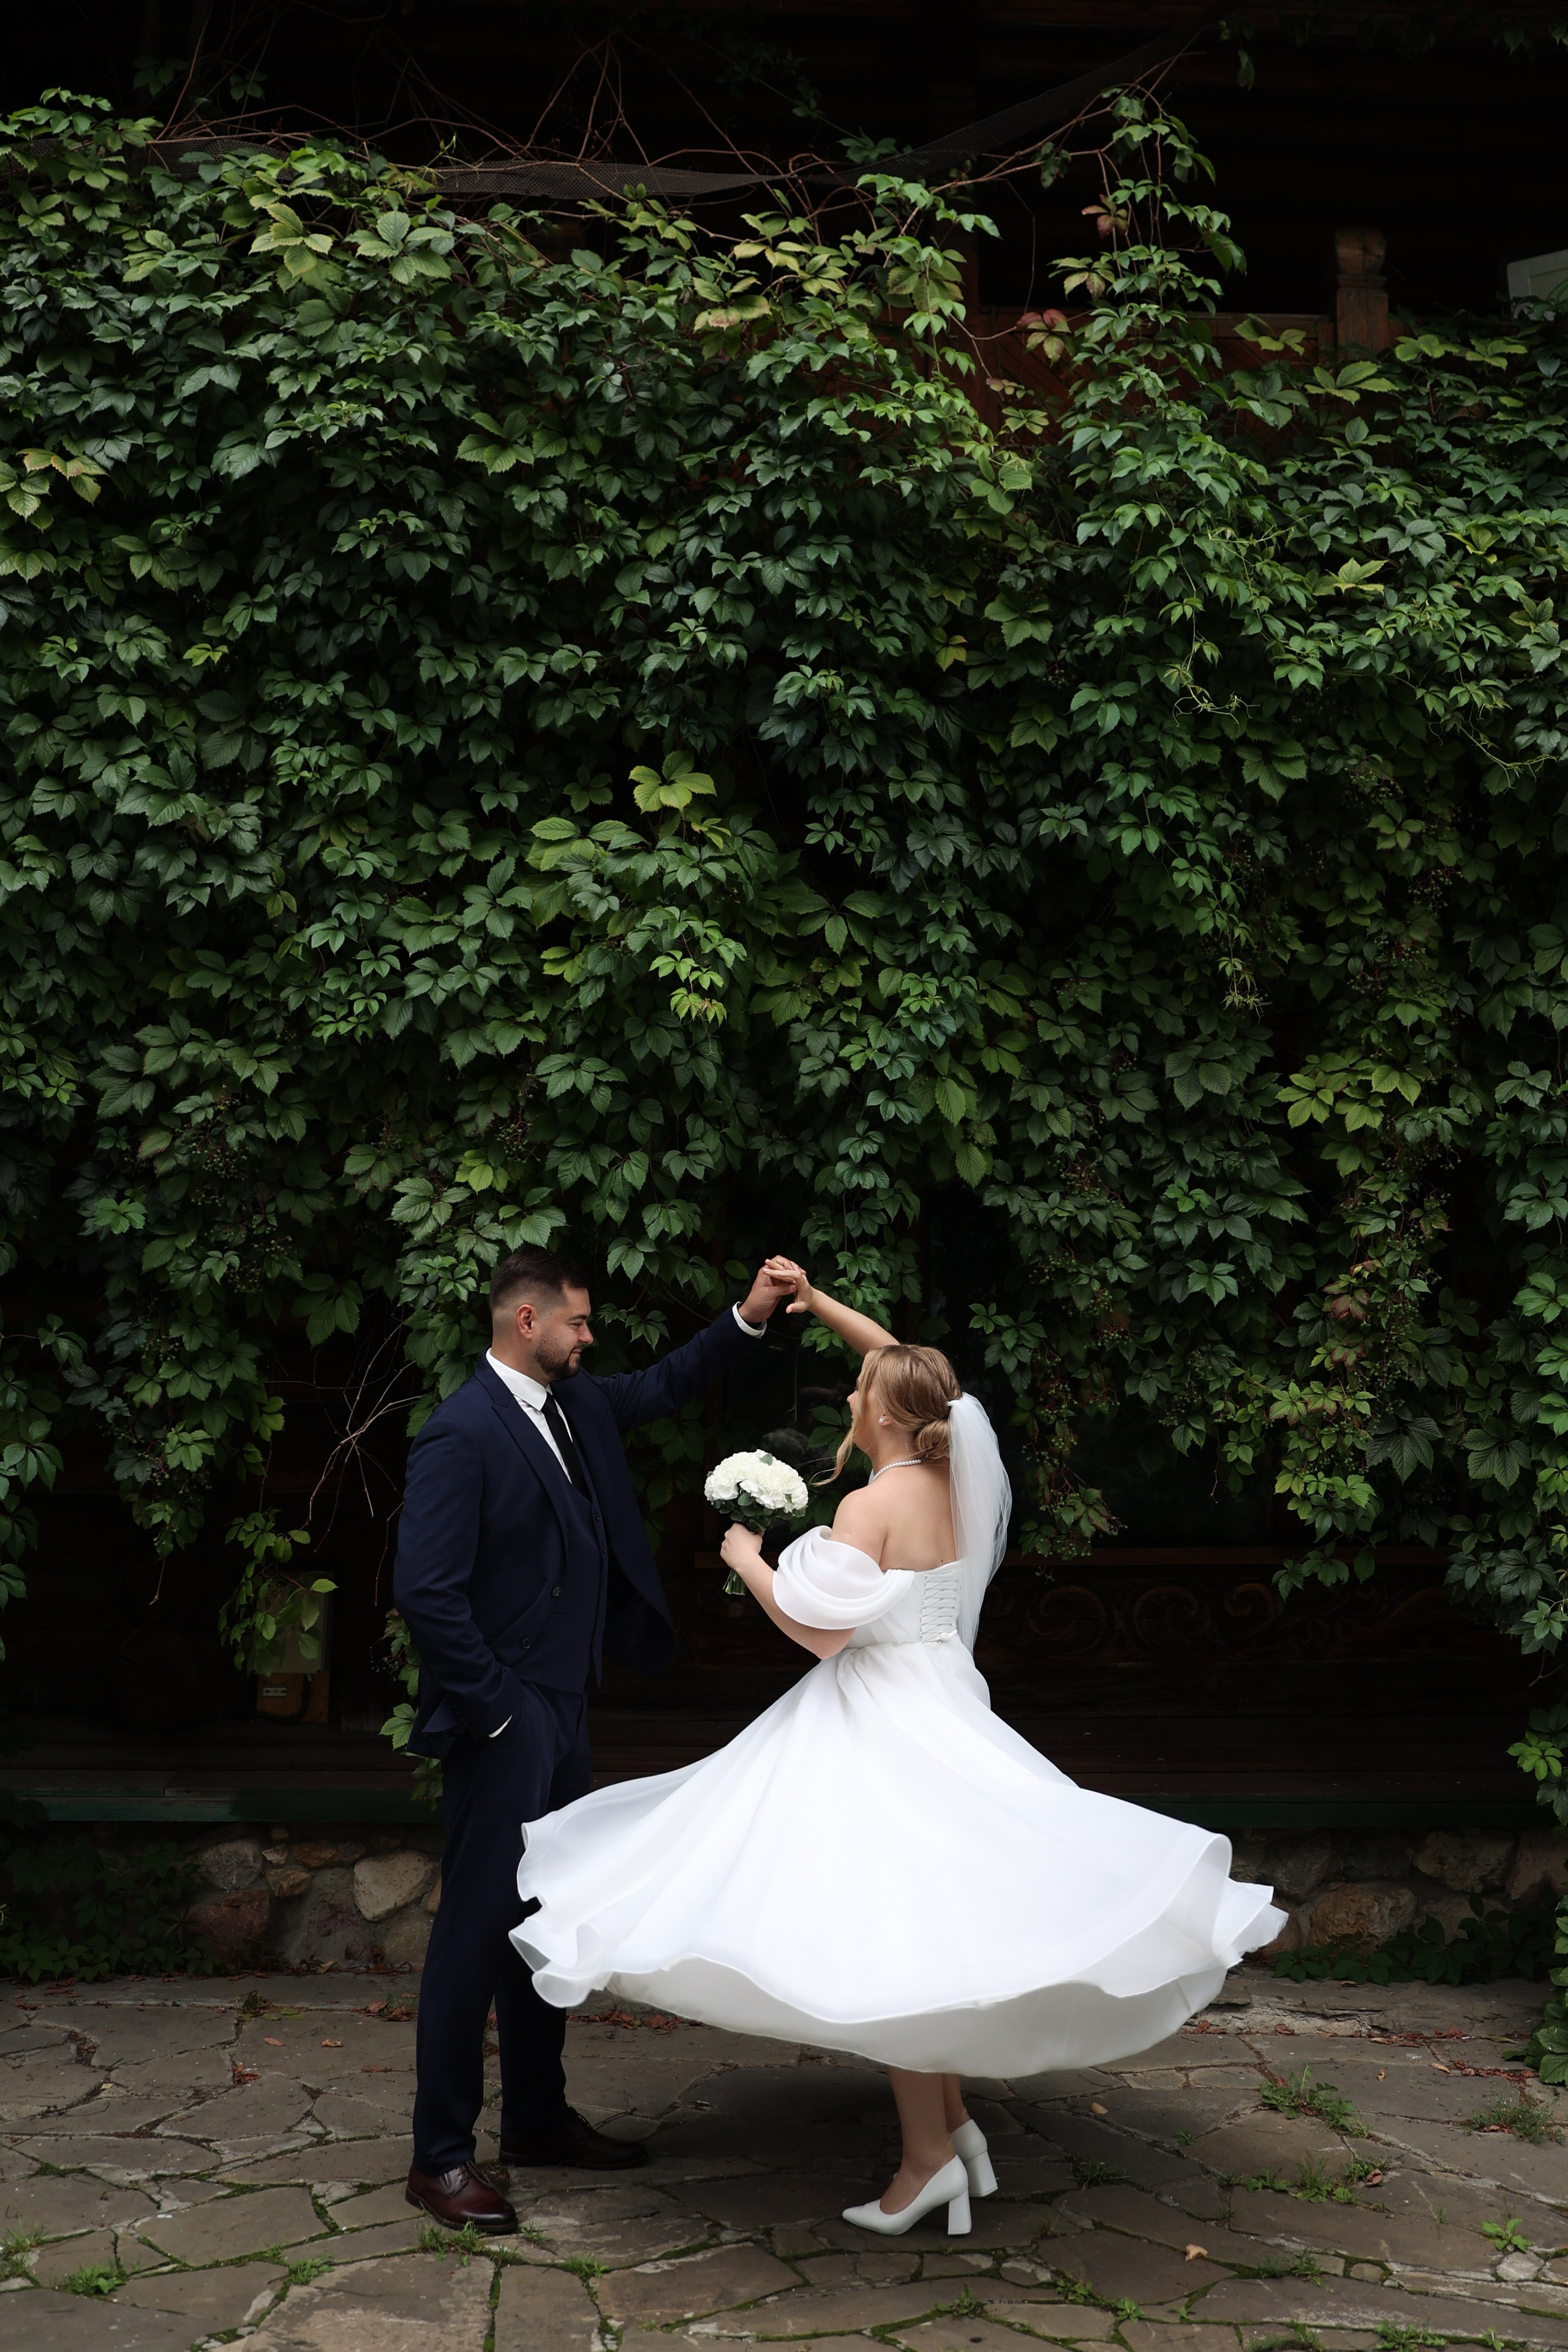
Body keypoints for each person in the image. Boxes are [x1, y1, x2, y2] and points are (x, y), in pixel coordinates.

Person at [512, 1261, 1286, 2236]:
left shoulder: (868, 1507)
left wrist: (749, 1559)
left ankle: (927, 2163)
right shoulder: (959, 1474)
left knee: (892, 1936)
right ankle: (953, 2128)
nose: (849, 1392)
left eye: (857, 1389)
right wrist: (819, 1305)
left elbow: (820, 1632)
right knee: (932, 1914)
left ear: (883, 1413)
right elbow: (904, 1365)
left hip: (877, 1715)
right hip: (945, 1698)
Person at [394, 1241, 797, 2235]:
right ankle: (439, 2157)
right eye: (576, 1321)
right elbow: (427, 1593)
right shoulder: (460, 1433)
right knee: (474, 1933)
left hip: (565, 1706)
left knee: (549, 1918)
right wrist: (500, 1710)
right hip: (507, 1717)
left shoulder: (570, 1402)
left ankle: (536, 2120)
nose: (590, 1336)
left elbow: (665, 1384)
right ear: (526, 1320)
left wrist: (749, 1314)